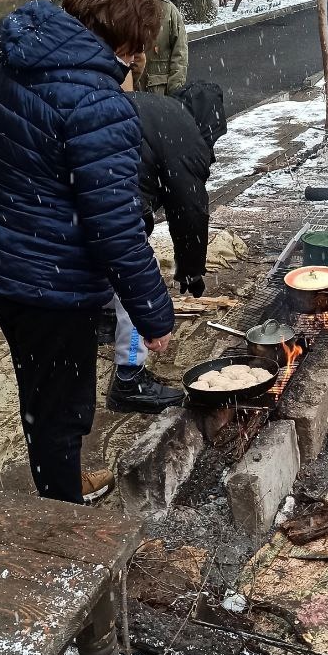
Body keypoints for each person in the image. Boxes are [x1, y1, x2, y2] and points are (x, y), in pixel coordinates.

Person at [0, 0, 174, 505]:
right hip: (50, 283)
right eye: (140, 48)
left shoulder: (17, 66)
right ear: (126, 39)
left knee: (41, 394)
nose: (141, 60)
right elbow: (114, 227)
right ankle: (62, 520)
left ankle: (56, 478)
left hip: (2, 266)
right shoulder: (95, 102)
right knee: (63, 408)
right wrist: (154, 314)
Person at [107, 78, 227, 412]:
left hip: (80, 194)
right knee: (134, 288)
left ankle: (101, 320)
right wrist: (190, 270)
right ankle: (128, 381)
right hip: (115, 204)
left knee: (98, 263)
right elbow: (189, 210)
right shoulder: (185, 132)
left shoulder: (157, 107)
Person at [128, 0, 188, 94]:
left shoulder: (169, 12)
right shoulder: (120, 12)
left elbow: (179, 56)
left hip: (160, 94)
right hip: (130, 96)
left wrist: (175, 94)